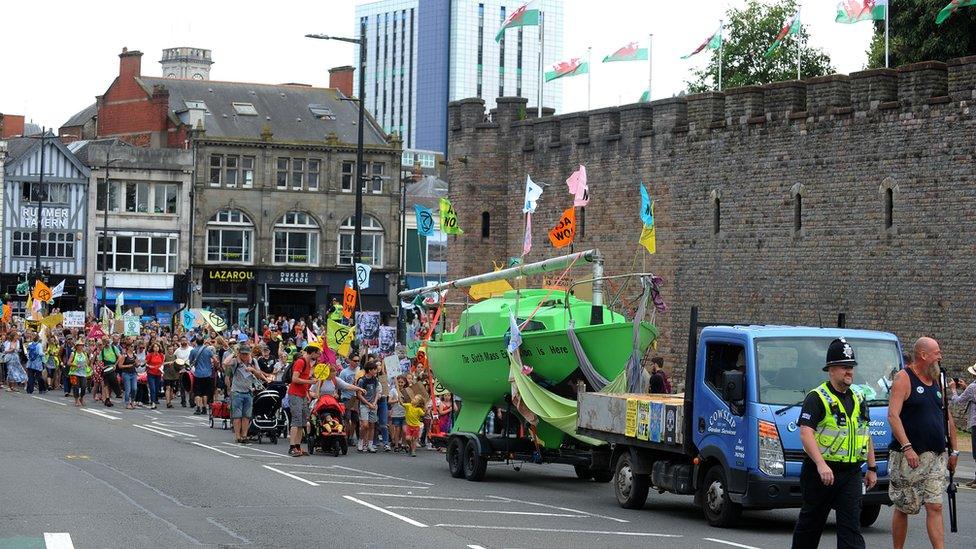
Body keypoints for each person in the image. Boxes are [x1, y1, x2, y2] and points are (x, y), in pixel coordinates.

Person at [790, 338, 877, 549]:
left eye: (852, 367)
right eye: (844, 367)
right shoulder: (817, 397)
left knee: (851, 529)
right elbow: (806, 433)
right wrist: (821, 464)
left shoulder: (858, 396)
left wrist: (872, 467)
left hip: (850, 473)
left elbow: (865, 433)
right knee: (810, 526)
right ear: (831, 369)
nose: (850, 372)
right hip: (820, 473)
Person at [888, 336, 957, 549]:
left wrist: (953, 451)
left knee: (935, 507)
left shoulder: (936, 379)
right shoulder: (904, 378)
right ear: (923, 355)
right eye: (937, 352)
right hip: (910, 457)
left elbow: (947, 417)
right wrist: (907, 447)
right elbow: (893, 416)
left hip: (936, 456)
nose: (940, 356)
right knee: (904, 506)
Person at [226, 344, 273, 444]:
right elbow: (225, 363)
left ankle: (244, 435)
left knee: (246, 416)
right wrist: (233, 354)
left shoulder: (253, 361)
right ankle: (237, 436)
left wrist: (252, 370)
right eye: (242, 354)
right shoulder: (236, 361)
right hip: (237, 391)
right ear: (239, 354)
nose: (245, 356)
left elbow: (259, 374)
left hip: (248, 391)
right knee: (237, 416)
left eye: (246, 354)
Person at [287, 342, 320, 457]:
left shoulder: (308, 363)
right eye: (317, 353)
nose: (318, 356)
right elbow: (294, 379)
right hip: (295, 394)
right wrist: (310, 382)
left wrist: (306, 391)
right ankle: (292, 447)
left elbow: (303, 378)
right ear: (313, 353)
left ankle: (297, 446)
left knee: (302, 422)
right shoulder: (301, 362)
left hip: (301, 394)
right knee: (296, 421)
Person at [950, 363, 976, 487]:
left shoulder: (972, 387)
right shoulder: (971, 388)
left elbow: (958, 401)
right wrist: (966, 387)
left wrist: (953, 390)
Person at [356, 361, 380, 453]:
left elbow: (377, 391)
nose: (376, 371)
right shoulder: (362, 380)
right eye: (374, 369)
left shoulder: (375, 379)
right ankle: (361, 441)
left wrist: (374, 402)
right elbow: (359, 394)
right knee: (365, 425)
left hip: (373, 405)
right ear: (369, 370)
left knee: (372, 425)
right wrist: (368, 403)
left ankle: (370, 444)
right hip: (364, 405)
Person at [188, 336, 215, 415]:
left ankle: (198, 408)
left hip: (198, 374)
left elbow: (190, 362)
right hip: (208, 374)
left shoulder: (193, 351)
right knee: (205, 392)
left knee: (197, 392)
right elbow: (215, 360)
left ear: (196, 342)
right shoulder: (208, 350)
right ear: (203, 342)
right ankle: (204, 408)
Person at [339, 355, 362, 444]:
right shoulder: (344, 372)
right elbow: (340, 385)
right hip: (346, 398)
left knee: (355, 419)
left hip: (356, 398)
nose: (356, 362)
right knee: (347, 418)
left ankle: (351, 437)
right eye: (355, 360)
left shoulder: (360, 371)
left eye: (358, 361)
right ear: (350, 361)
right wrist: (351, 387)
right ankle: (346, 436)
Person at [67, 340, 89, 407]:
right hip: (74, 372)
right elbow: (68, 363)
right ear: (76, 346)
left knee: (83, 386)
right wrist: (76, 365)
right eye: (80, 345)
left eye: (82, 345)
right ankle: (76, 400)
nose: (81, 346)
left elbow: (87, 362)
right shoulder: (73, 353)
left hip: (83, 373)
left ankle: (81, 398)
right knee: (76, 386)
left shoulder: (84, 353)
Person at [117, 343, 138, 409]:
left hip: (133, 373)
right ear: (128, 347)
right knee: (128, 389)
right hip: (126, 374)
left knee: (134, 388)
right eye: (132, 346)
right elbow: (120, 365)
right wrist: (128, 366)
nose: (133, 347)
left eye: (133, 346)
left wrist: (138, 364)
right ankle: (127, 403)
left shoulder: (134, 355)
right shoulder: (124, 356)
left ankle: (132, 401)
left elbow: (136, 364)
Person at [389, 376, 407, 452]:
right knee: (397, 430)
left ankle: (403, 444)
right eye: (399, 382)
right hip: (396, 413)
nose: (400, 384)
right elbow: (389, 401)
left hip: (405, 413)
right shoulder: (393, 390)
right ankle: (396, 445)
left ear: (405, 383)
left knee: (404, 430)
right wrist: (396, 400)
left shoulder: (406, 391)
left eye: (402, 382)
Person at [145, 342, 164, 409]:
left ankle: (154, 399)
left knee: (156, 388)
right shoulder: (150, 355)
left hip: (158, 374)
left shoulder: (161, 355)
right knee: (152, 388)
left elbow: (162, 364)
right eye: (155, 347)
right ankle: (153, 402)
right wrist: (149, 366)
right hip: (151, 373)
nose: (156, 348)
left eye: (157, 347)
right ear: (152, 348)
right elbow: (145, 363)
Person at [161, 343, 181, 409]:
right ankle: (168, 402)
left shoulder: (175, 356)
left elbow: (178, 364)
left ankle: (170, 401)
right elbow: (161, 363)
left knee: (172, 389)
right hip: (167, 375)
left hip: (174, 375)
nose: (171, 350)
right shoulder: (165, 356)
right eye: (169, 349)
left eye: (172, 349)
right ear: (167, 350)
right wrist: (168, 363)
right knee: (168, 388)